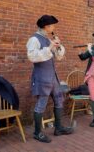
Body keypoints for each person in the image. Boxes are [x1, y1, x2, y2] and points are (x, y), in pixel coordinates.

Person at [26, 15, 73, 143]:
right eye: (52, 26)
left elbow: (58, 57)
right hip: (42, 78)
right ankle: (37, 133)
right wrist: (50, 47)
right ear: (46, 26)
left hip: (53, 77)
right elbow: (32, 56)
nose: (53, 28)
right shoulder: (34, 39)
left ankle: (58, 128)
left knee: (59, 100)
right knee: (41, 104)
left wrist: (58, 46)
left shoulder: (47, 39)